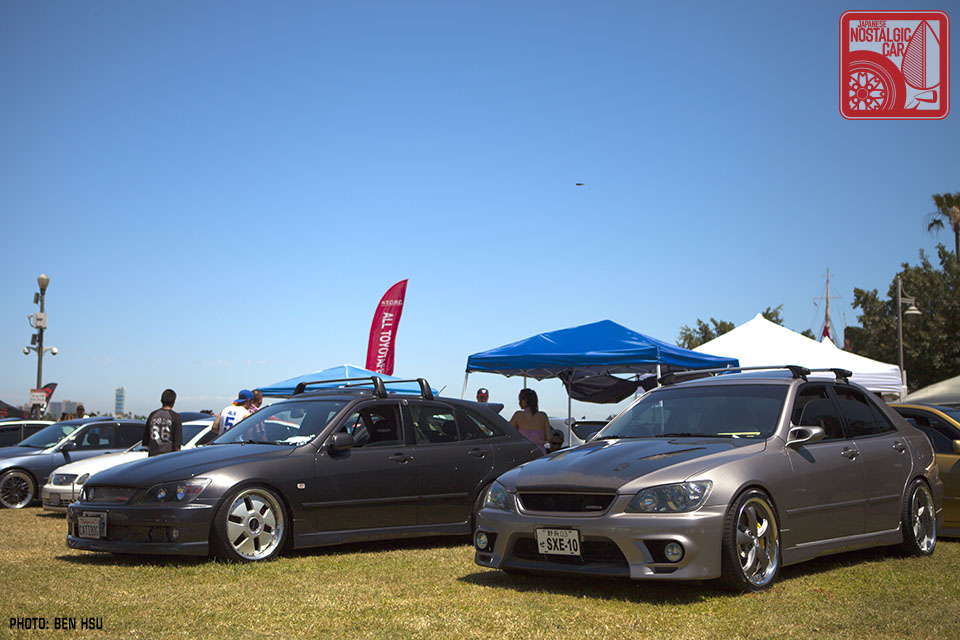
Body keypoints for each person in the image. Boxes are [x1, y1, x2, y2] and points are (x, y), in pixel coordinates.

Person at [509, 388, 551, 453]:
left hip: (524, 451)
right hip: (540, 452)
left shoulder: (518, 415)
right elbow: (549, 438)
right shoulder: (543, 416)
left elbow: (508, 431)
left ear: (525, 400)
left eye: (520, 400)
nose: (519, 402)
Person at [142, 389, 182, 457]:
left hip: (153, 457)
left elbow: (146, 441)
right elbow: (177, 444)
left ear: (161, 400)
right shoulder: (176, 417)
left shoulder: (153, 415)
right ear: (174, 401)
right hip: (168, 457)